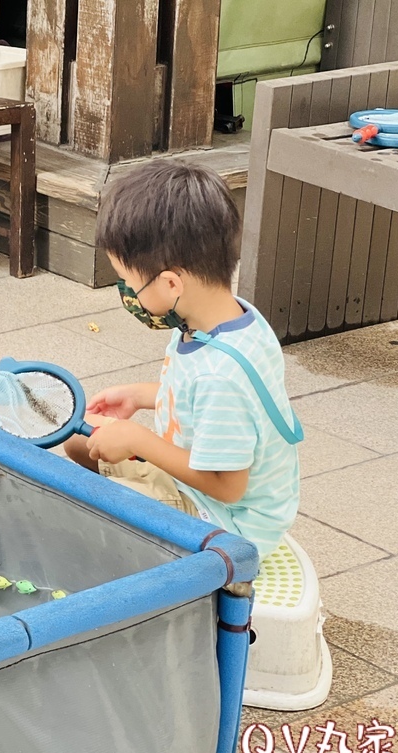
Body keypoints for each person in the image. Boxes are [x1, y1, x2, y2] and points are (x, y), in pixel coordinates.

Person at [64, 160, 302, 561]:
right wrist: (141, 396)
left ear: (172, 283)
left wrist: (140, 440)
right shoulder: (224, 318)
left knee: (82, 513)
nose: (128, 294)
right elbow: (200, 405)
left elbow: (228, 485)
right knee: (77, 440)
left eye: (130, 283)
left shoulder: (221, 375)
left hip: (225, 521)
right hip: (195, 481)